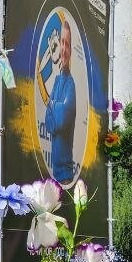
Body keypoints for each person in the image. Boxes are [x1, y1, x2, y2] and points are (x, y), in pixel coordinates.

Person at [37, 14, 78, 183]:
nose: (63, 48)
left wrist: (53, 105)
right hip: (54, 171)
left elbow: (61, 120)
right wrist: (55, 106)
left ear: (70, 50)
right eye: (61, 42)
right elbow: (50, 121)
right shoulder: (57, 81)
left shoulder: (70, 83)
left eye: (67, 44)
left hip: (66, 173)